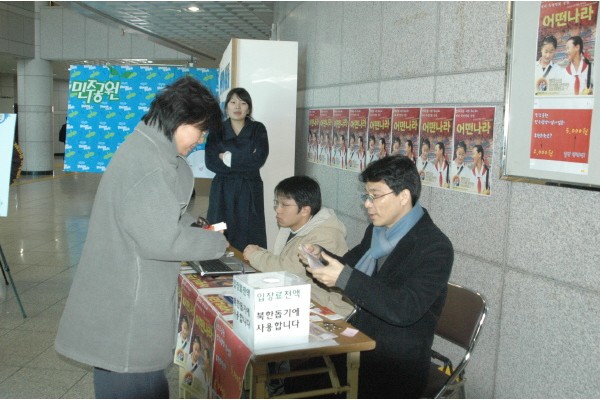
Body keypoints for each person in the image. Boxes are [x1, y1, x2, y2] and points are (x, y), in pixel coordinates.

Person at [54, 76, 228, 399]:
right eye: (200, 130)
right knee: (139, 387)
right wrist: (218, 244)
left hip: (120, 310)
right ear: (181, 119)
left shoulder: (147, 149)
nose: (201, 139)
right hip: (128, 323)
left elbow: (158, 212)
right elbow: (163, 240)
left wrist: (193, 226)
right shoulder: (148, 163)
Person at [301, 155, 453, 398]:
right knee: (303, 371)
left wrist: (343, 277)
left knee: (313, 380)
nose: (367, 204)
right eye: (366, 195)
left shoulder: (434, 247)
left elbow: (404, 308)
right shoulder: (378, 231)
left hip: (397, 359)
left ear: (403, 196)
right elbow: (350, 265)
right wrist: (321, 256)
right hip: (362, 334)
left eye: (375, 196)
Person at [243, 176, 353, 317]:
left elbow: (288, 272)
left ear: (305, 210)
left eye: (284, 205)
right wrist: (258, 252)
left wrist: (255, 255)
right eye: (276, 203)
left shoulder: (326, 235)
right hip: (302, 298)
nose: (278, 210)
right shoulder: (290, 227)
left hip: (328, 308)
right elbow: (284, 260)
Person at [206, 87, 269, 251]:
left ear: (249, 108)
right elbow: (210, 162)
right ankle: (213, 262)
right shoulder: (216, 130)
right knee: (217, 229)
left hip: (249, 189)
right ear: (226, 106)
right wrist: (245, 158)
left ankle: (250, 265)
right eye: (233, 102)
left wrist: (227, 158)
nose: (237, 107)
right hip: (222, 189)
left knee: (249, 234)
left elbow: (259, 159)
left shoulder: (258, 129)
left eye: (243, 103)